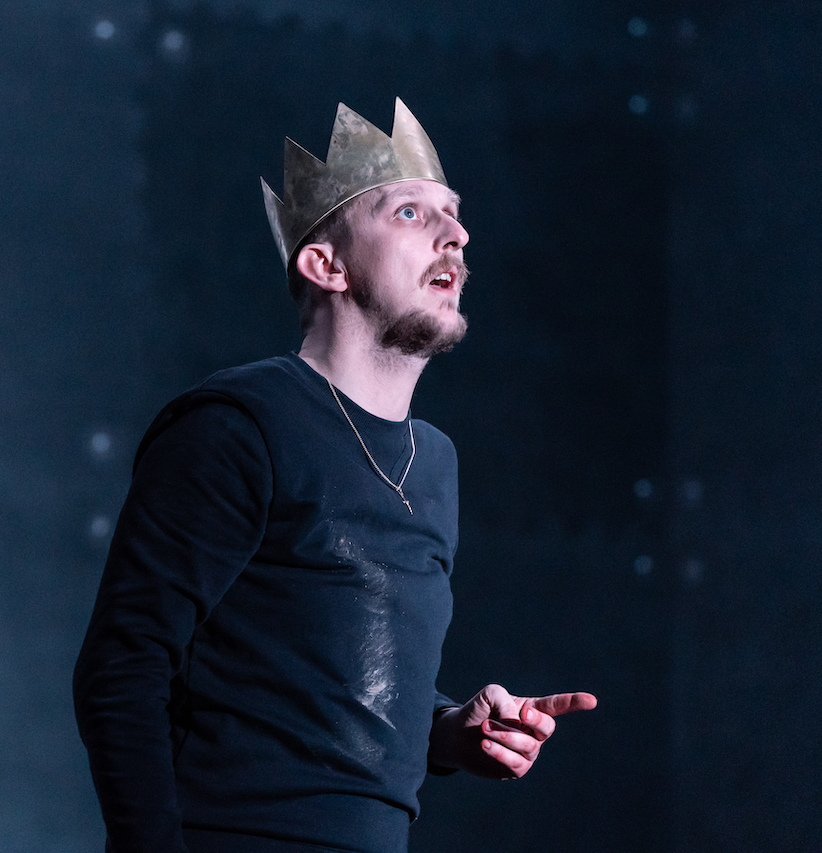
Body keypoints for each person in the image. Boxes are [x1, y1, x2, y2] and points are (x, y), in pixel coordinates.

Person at [73, 99, 597, 853]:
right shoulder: (239, 424)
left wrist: (452, 731)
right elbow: (122, 670)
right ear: (327, 263)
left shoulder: (435, 460)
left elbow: (326, 696)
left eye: (454, 216)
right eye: (412, 213)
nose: (457, 234)